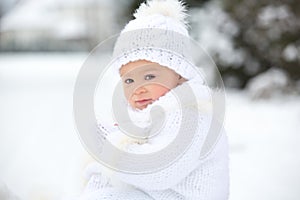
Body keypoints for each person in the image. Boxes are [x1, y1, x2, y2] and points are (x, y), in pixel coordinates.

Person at [78, 0, 229, 199]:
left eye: (149, 77)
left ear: (180, 74)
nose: (138, 89)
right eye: (129, 80)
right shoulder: (149, 118)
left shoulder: (192, 117)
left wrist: (106, 147)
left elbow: (159, 172)